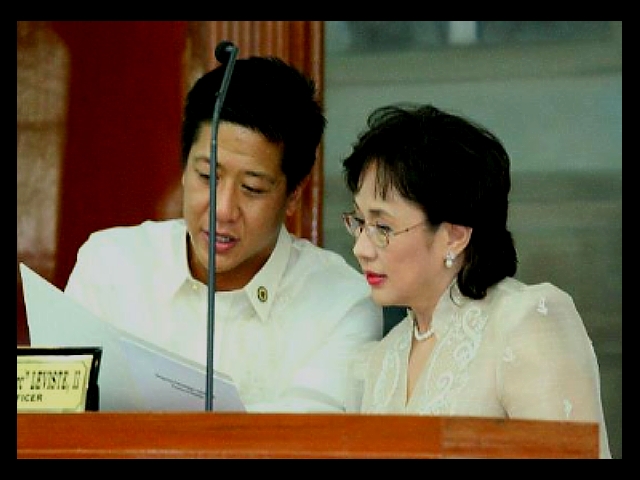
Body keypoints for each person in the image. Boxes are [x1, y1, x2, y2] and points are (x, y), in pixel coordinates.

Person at [64, 56, 383, 412]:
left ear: (294, 194)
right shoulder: (109, 265)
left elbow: (303, 436)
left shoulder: (340, 304)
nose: (223, 209)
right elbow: (62, 416)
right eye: (207, 177)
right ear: (184, 167)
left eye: (252, 188)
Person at [341, 103, 611, 458]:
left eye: (383, 227)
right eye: (360, 222)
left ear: (454, 236)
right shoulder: (386, 355)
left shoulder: (525, 322)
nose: (361, 248)